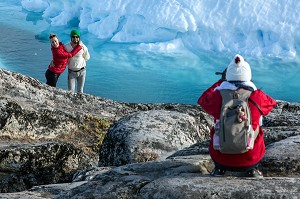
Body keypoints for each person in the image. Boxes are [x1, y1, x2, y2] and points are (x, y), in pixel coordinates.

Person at [198, 54, 276, 178]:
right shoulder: (257, 96)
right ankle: (253, 169)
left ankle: (219, 169)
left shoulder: (218, 96)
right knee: (257, 129)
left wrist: (220, 82)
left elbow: (202, 100)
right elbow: (272, 103)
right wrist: (252, 87)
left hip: (221, 158)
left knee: (217, 128)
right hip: (250, 159)